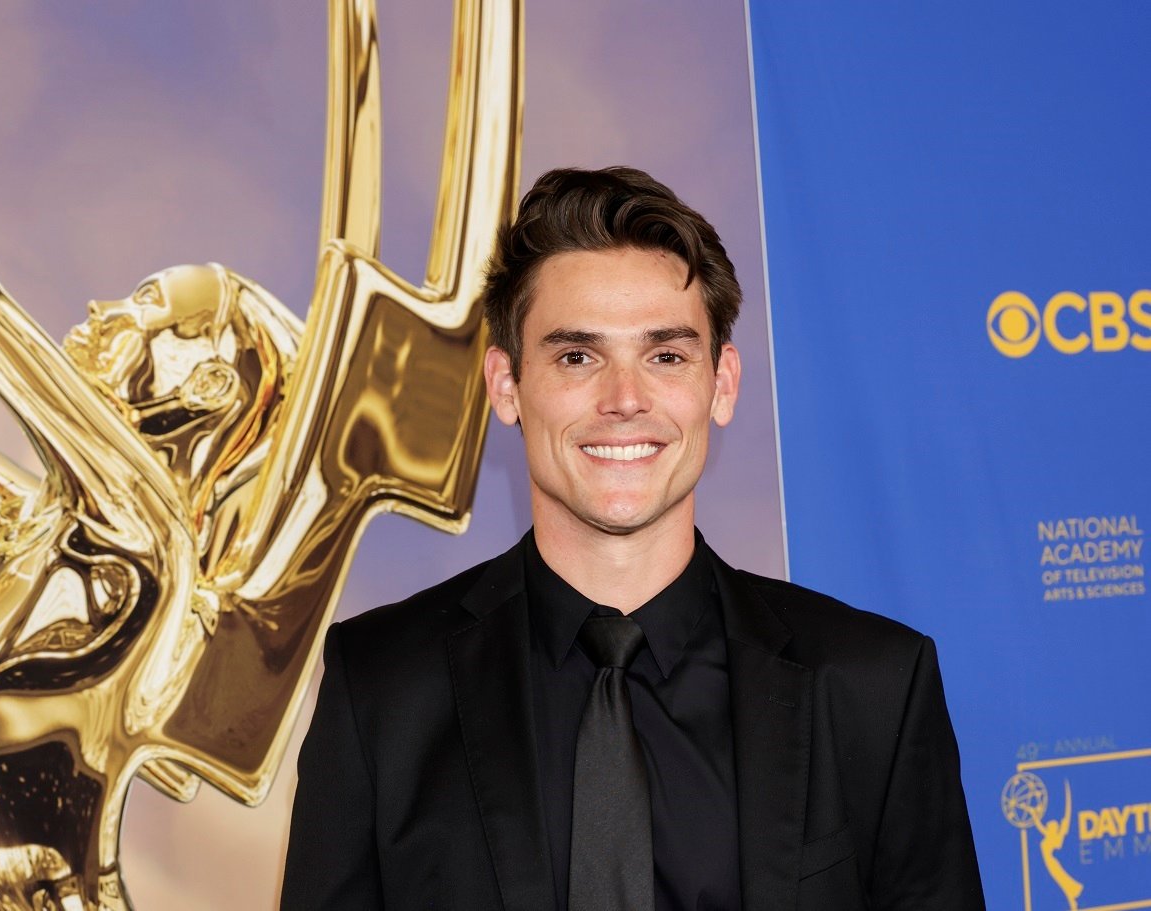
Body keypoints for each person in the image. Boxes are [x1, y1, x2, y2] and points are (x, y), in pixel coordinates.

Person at [281, 166, 985, 910]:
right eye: (576, 356)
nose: (624, 400)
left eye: (666, 356)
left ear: (721, 384)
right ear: (506, 385)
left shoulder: (871, 684)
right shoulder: (383, 686)